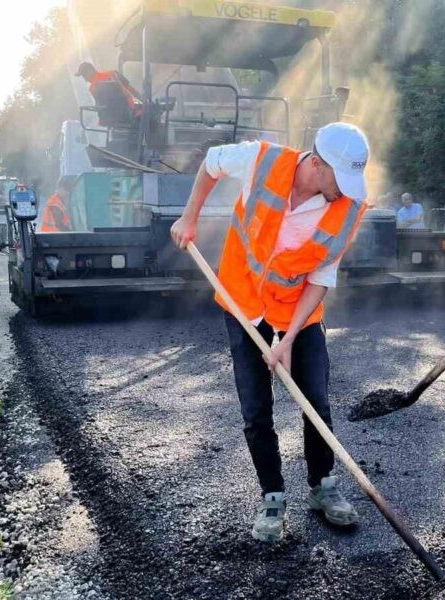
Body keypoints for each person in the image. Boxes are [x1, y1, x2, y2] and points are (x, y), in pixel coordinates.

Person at [171, 122, 369, 542]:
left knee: (315, 399)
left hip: (298, 309)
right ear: (317, 163)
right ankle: (272, 496)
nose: (348, 190)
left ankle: (323, 485)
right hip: (244, 301)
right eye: (341, 178)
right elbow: (210, 164)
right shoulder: (261, 160)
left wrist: (290, 338)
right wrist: (190, 216)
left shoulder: (349, 206)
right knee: (256, 408)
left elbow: (321, 278)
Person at [75, 62, 143, 120]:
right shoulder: (113, 73)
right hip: (134, 111)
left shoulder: (93, 87)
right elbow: (130, 89)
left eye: (84, 75)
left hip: (118, 120)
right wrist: (143, 100)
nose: (85, 79)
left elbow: (103, 107)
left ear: (91, 70)